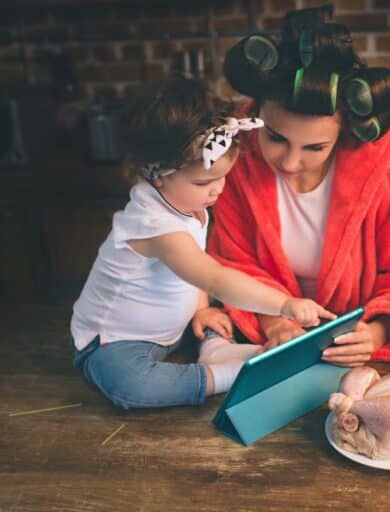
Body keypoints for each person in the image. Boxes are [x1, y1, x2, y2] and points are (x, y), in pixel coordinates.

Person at [208, 4, 390, 367]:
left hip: (354, 347)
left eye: (315, 147)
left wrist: (375, 333)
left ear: (342, 136)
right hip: (268, 342)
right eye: (275, 138)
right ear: (257, 116)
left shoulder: (381, 180)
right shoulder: (235, 172)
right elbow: (231, 264)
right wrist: (276, 323)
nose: (290, 162)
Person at [69, 77, 335, 409]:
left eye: (223, 176)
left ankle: (216, 347)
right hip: (115, 343)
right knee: (132, 387)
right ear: (159, 175)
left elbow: (193, 269)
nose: (217, 189)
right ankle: (230, 373)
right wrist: (283, 304)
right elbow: (213, 277)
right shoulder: (154, 225)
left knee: (217, 319)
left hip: (175, 329)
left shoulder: (189, 201)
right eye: (204, 181)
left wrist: (202, 308)